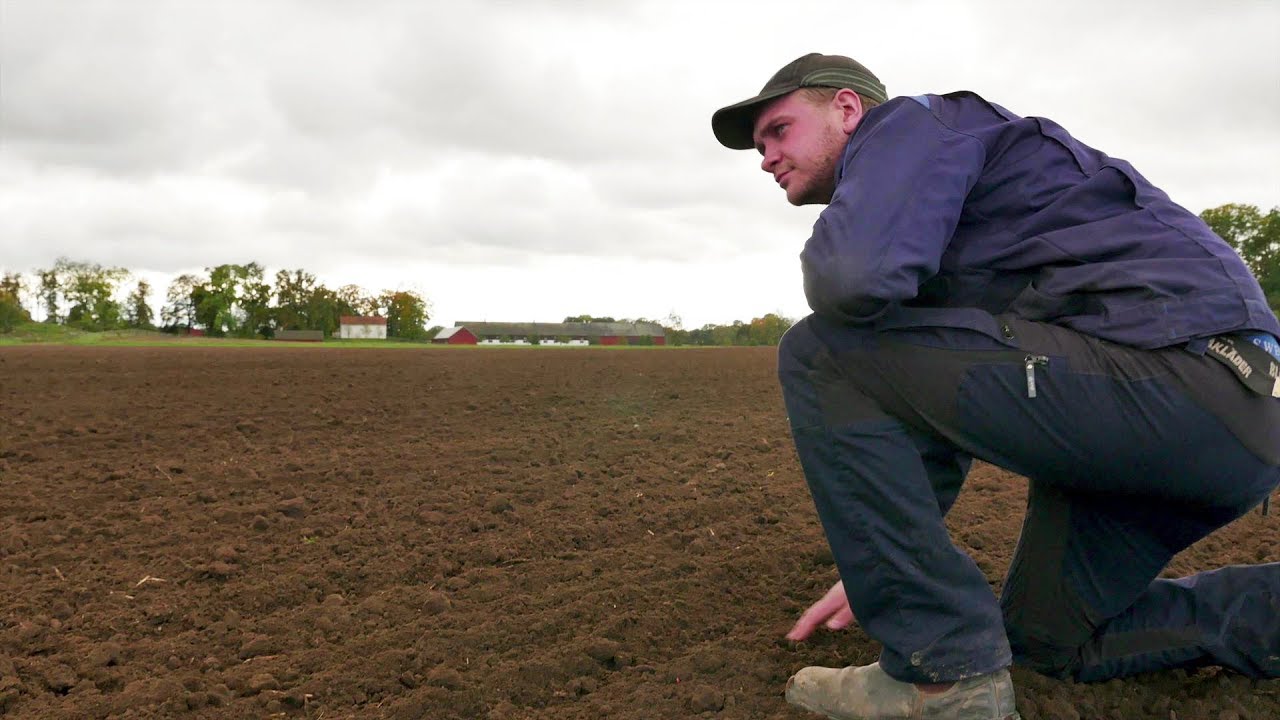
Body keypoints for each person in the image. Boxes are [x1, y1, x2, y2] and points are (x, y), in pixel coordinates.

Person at [711, 53, 1280, 720]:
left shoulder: (910, 127)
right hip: (1234, 420)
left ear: (846, 108)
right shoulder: (936, 218)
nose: (766, 156)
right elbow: (936, 408)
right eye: (759, 146)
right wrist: (882, 558)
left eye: (779, 129)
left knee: (820, 355)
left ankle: (941, 678)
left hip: (1185, 376)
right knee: (1043, 644)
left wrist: (902, 588)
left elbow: (849, 278)